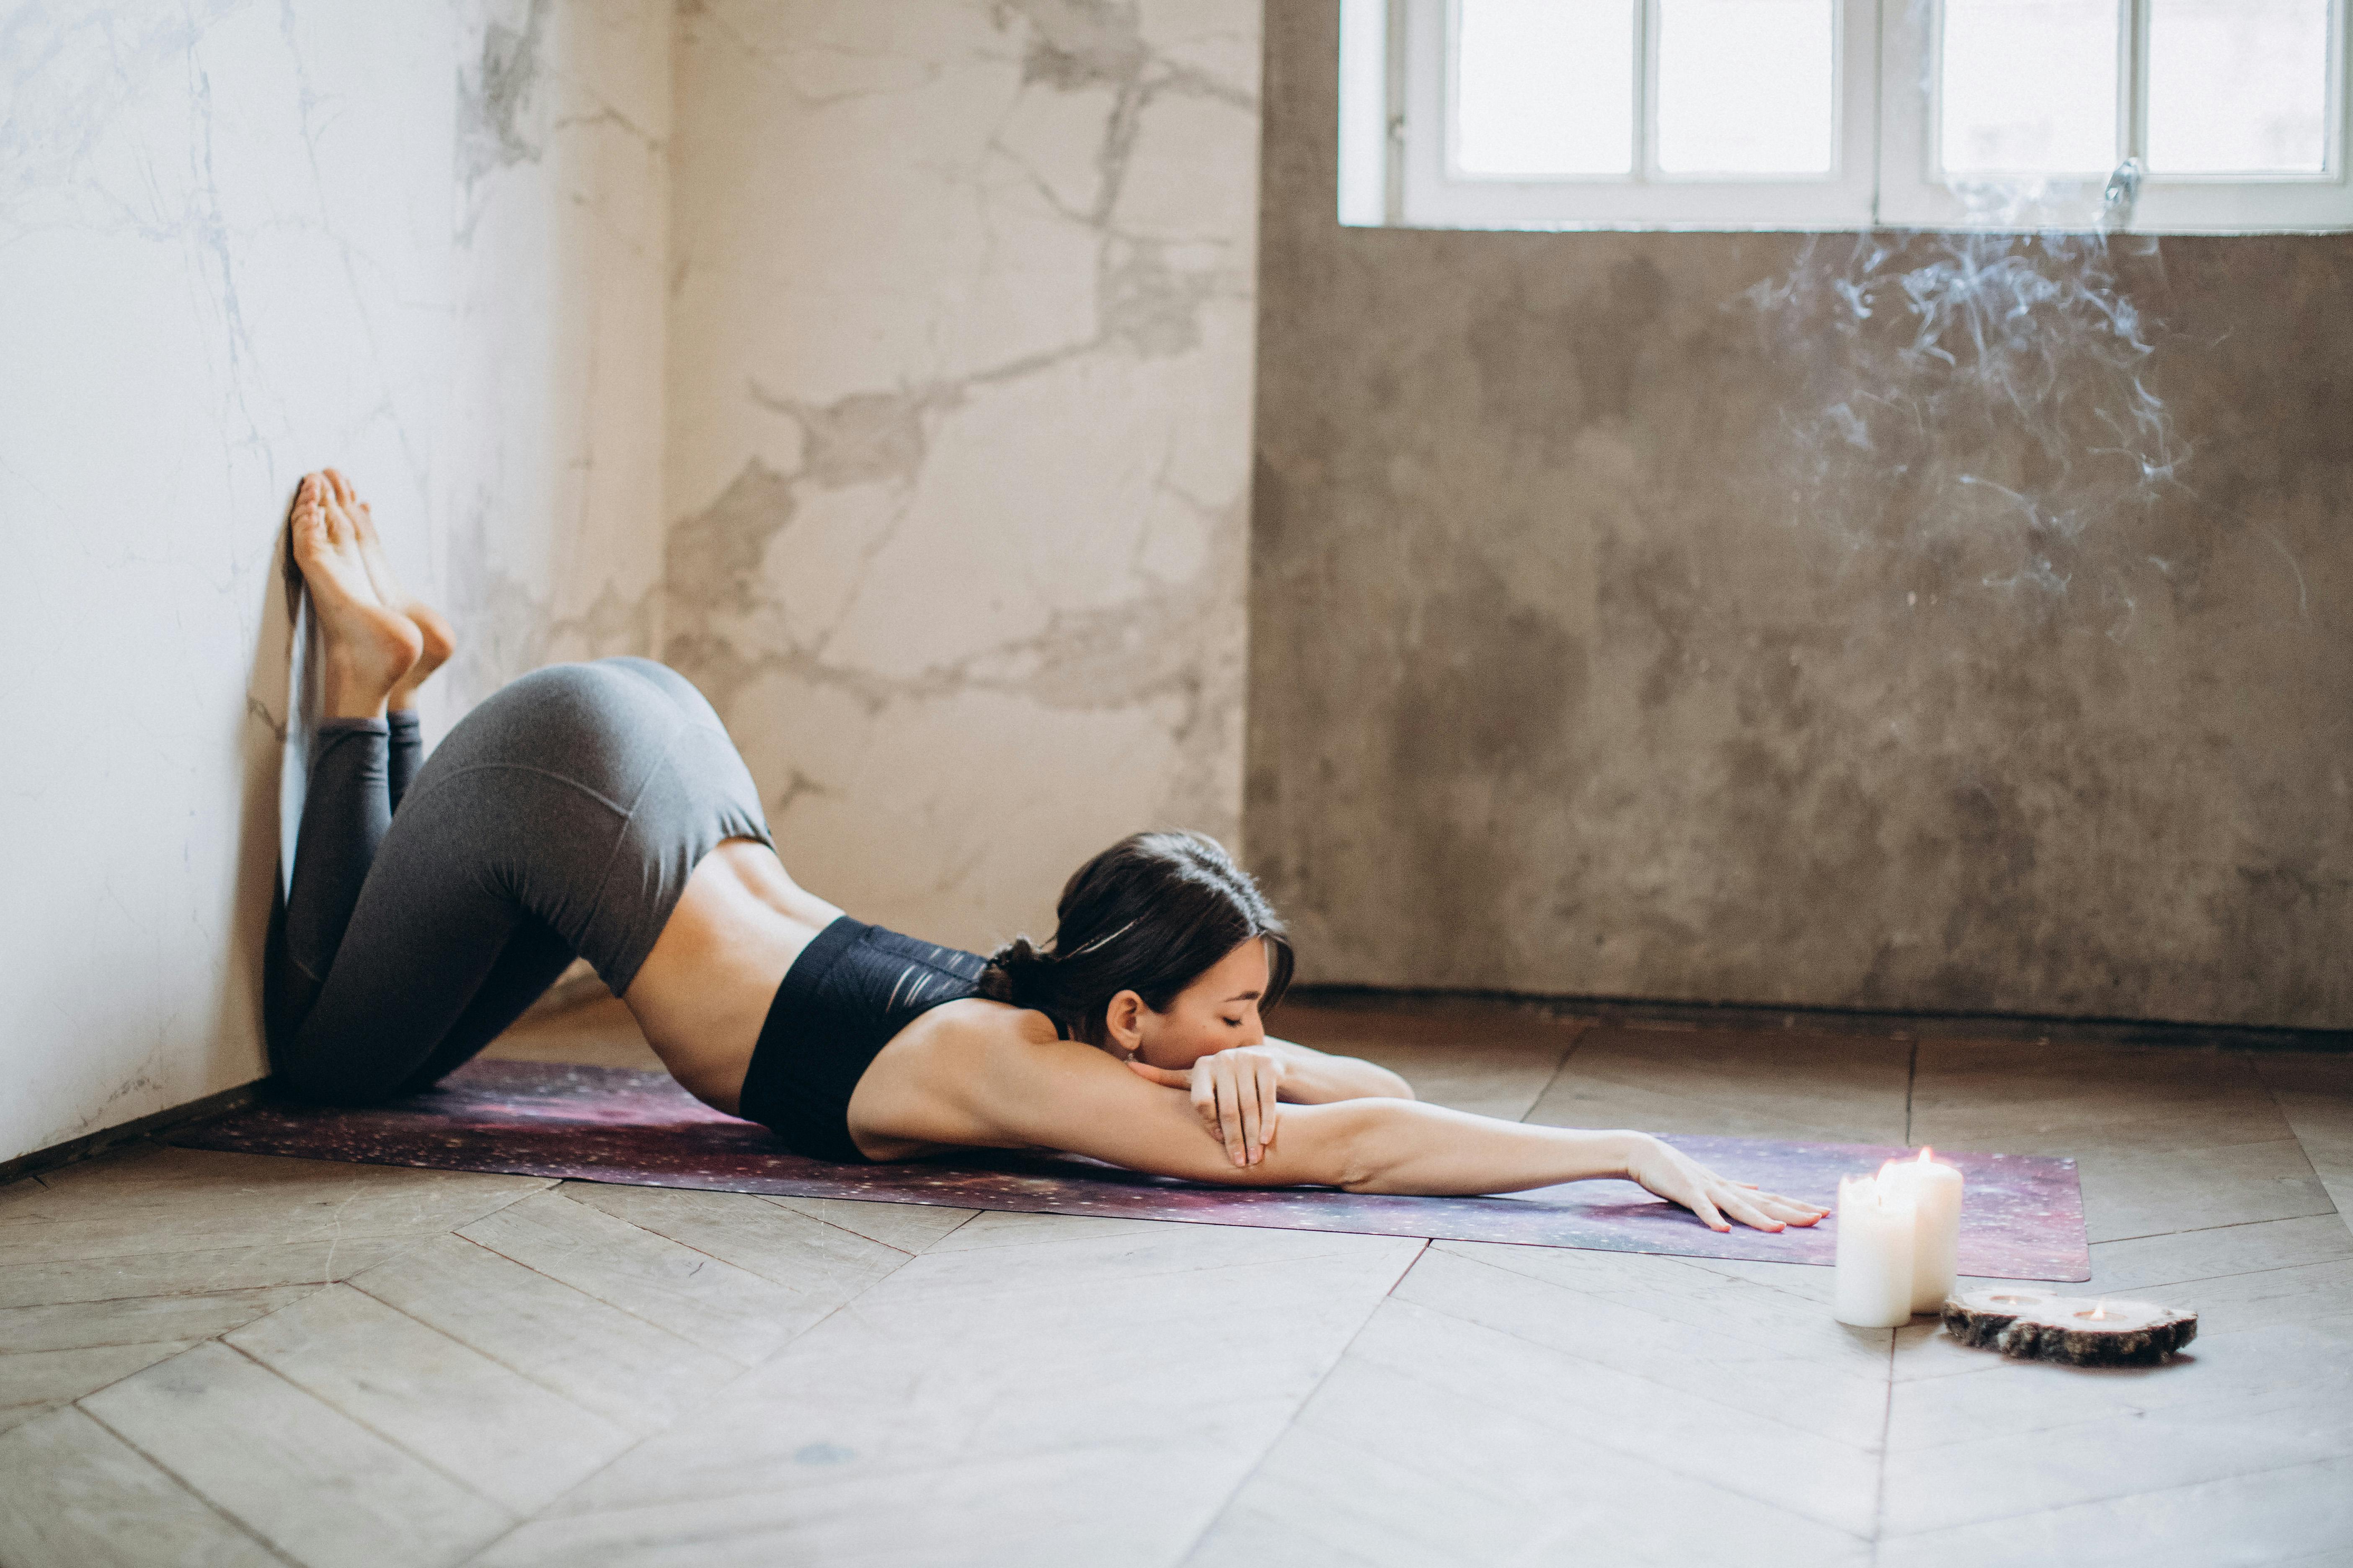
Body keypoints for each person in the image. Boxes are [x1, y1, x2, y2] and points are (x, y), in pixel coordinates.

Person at [269, 470, 1827, 1235]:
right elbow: (1358, 1147)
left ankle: (403, 700)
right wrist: (1624, 1151)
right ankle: (366, 688)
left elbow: (1379, 1099)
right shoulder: (1036, 1072)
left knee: (396, 1053)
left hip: (640, 775)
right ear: (1132, 1019)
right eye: (1235, 1015)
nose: (1257, 1042)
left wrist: (1263, 1063)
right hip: (585, 785)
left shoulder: (1061, 1011)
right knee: (333, 1062)